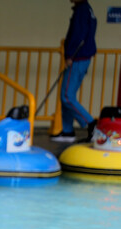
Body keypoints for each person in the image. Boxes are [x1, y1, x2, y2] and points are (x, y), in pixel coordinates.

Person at [50, 0, 98, 143]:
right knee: (66, 95)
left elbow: (78, 36)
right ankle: (67, 131)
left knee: (67, 96)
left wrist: (70, 55)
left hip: (78, 58)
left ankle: (92, 124)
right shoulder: (85, 9)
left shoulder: (82, 10)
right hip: (82, 57)